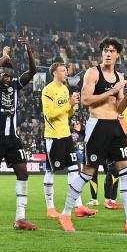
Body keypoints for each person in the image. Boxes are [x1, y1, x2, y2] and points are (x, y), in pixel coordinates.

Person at [62, 37, 127, 234]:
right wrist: (112, 91)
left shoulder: (120, 77)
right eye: (105, 50)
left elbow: (119, 106)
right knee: (88, 172)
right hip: (97, 126)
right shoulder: (92, 73)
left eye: (112, 51)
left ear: (118, 55)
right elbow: (85, 100)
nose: (108, 53)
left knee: (126, 171)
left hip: (115, 126)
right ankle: (65, 214)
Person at [0, 39, 38, 230]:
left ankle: (20, 218)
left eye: (10, 74)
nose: (7, 77)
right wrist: (4, 57)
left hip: (12, 138)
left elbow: (32, 72)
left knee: (23, 172)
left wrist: (29, 51)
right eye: (4, 73)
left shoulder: (16, 87)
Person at [41, 61, 96, 230]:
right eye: (62, 70)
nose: (66, 73)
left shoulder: (65, 89)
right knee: (51, 170)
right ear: (54, 73)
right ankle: (50, 208)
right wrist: (68, 104)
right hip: (53, 137)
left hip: (66, 136)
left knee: (74, 170)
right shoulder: (48, 90)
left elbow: (68, 114)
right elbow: (50, 114)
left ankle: (78, 206)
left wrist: (73, 106)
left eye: (66, 70)